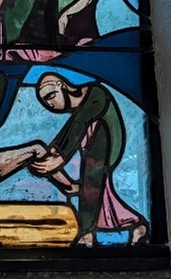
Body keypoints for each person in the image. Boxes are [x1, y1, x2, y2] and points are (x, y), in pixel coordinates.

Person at [32, 73, 148, 246]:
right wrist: (51, 154)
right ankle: (136, 226)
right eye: (45, 101)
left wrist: (59, 157)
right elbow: (71, 129)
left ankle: (87, 233)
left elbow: (80, 123)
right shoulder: (80, 113)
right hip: (94, 158)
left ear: (62, 85)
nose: (50, 104)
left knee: (93, 184)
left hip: (106, 148)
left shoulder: (96, 94)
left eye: (50, 96)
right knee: (103, 195)